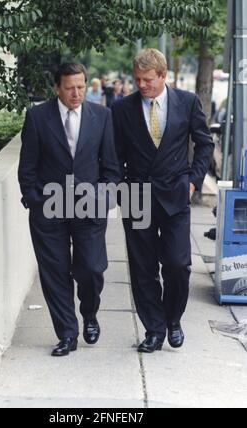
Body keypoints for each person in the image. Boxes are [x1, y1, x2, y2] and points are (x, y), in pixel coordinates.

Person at [112, 49, 214, 353]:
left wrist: (193, 181)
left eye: (148, 80)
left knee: (178, 264)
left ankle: (173, 319)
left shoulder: (186, 102)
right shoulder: (122, 109)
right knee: (143, 269)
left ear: (163, 75)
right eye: (138, 80)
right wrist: (120, 188)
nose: (142, 85)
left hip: (175, 194)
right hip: (136, 197)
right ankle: (154, 330)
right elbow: (114, 155)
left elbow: (204, 143)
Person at [18, 63, 120, 357]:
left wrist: (104, 197)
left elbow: (111, 168)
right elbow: (28, 167)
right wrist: (35, 200)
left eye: (81, 86)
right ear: (57, 88)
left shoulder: (102, 116)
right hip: (48, 209)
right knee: (55, 274)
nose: (76, 93)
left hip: (90, 207)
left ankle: (89, 313)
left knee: (90, 269)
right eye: (70, 87)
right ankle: (67, 333)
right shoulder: (37, 116)